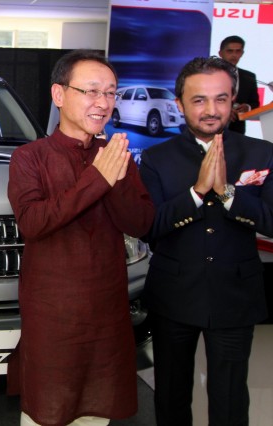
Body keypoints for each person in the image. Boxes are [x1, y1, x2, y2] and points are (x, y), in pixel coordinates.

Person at [6, 50, 155, 426]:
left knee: (96, 408)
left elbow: (140, 223)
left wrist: (114, 175)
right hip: (53, 309)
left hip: (106, 305)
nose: (103, 103)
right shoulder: (30, 158)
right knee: (48, 407)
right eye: (91, 91)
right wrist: (97, 179)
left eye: (110, 93)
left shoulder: (116, 155)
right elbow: (34, 223)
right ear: (59, 95)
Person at [139, 56, 273, 426]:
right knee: (171, 393)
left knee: (230, 396)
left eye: (221, 99)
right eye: (199, 100)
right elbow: (149, 228)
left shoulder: (260, 154)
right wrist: (197, 193)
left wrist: (228, 193)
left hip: (236, 296)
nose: (211, 110)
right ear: (180, 104)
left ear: (234, 102)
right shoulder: (155, 158)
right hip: (173, 295)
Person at [218, 35, 260, 134]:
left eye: (238, 51)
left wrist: (248, 107)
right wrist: (222, 110)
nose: (234, 55)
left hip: (237, 131)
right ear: (220, 53)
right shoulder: (208, 74)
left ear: (242, 53)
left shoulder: (249, 77)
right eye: (230, 51)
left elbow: (255, 103)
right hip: (211, 130)